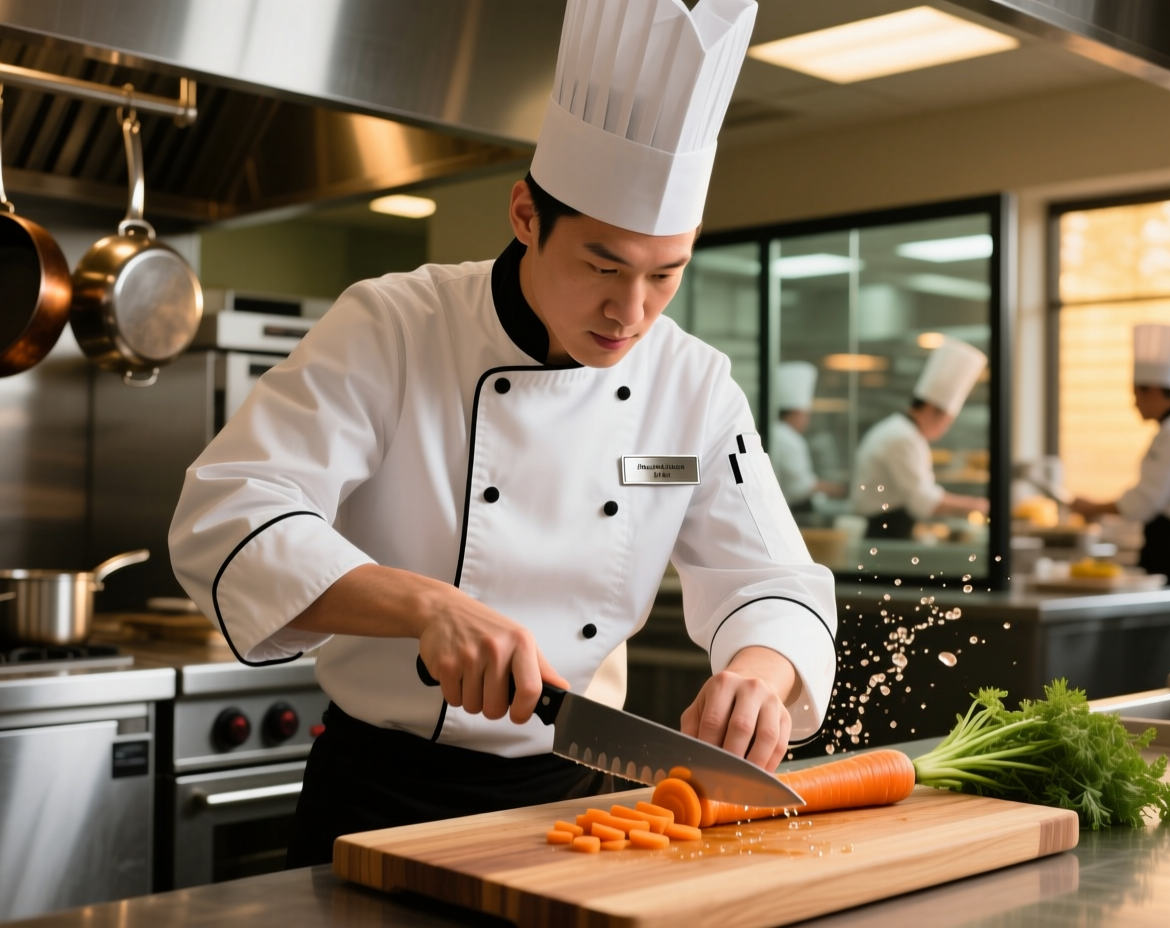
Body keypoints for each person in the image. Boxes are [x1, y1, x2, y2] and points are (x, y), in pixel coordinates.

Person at [168, 0, 836, 869]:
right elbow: (229, 514)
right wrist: (427, 606)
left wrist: (759, 675)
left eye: (665, 275)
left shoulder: (693, 383)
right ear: (525, 215)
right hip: (380, 794)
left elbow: (771, 576)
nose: (630, 312)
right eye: (602, 265)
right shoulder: (395, 324)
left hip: (585, 804)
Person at [1070, 323, 1170, 584]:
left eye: (1136, 396)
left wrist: (1091, 507)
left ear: (1152, 390)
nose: (1134, 405)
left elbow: (1144, 501)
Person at [850, 338, 990, 539]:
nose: (945, 429)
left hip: (891, 526)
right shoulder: (901, 438)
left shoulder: (902, 432)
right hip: (885, 531)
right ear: (932, 410)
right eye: (947, 422)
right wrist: (977, 506)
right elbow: (923, 501)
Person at [770, 361, 846, 508]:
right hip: (788, 509)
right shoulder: (787, 438)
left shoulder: (778, 433)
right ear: (797, 413)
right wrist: (839, 490)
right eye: (806, 414)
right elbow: (800, 488)